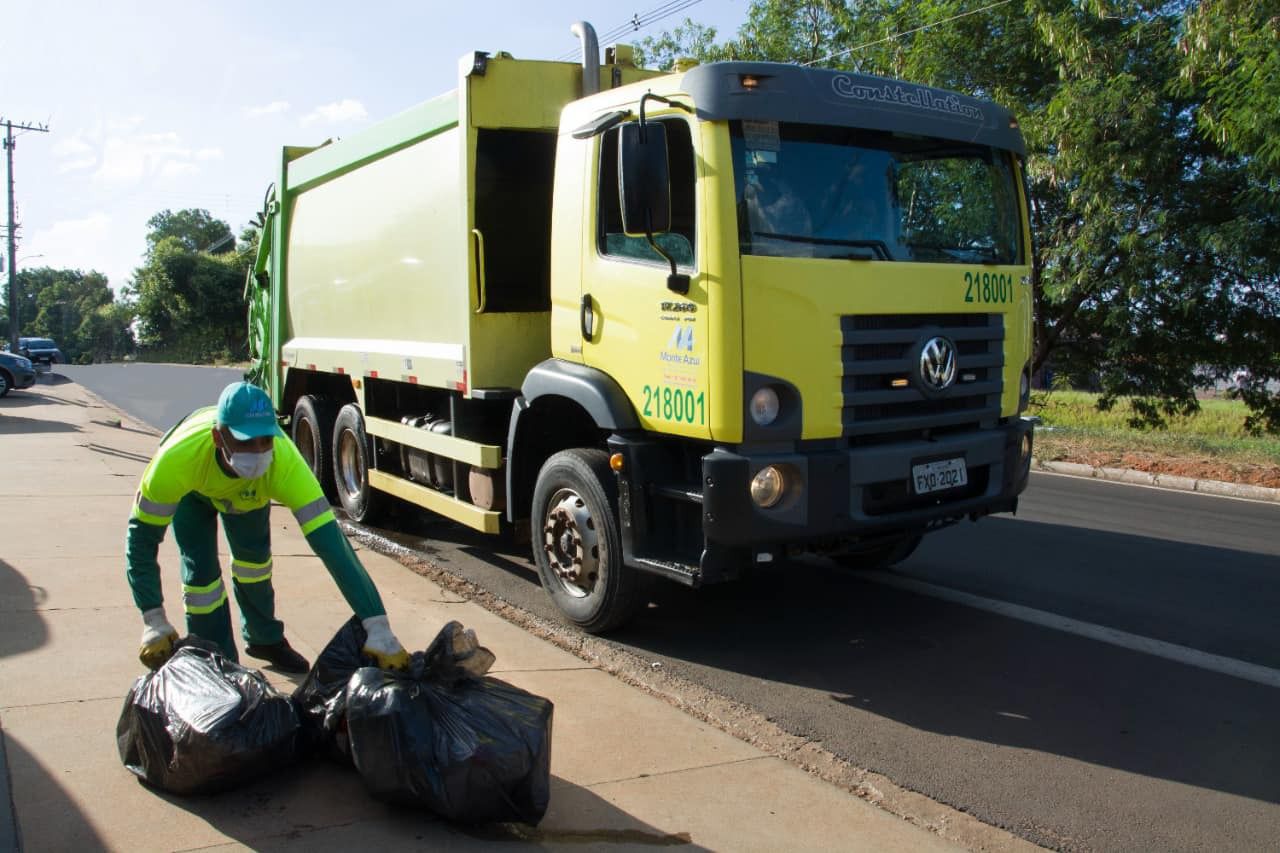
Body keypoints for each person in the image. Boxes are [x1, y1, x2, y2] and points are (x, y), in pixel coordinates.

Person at [126, 381, 411, 674]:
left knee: (255, 567)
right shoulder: (175, 461)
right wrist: (153, 619)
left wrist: (378, 627)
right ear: (218, 437)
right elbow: (141, 541)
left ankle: (264, 639)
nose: (258, 452)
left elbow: (333, 547)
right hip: (193, 492)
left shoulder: (282, 464)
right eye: (246, 442)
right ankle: (216, 662)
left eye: (265, 440)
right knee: (202, 580)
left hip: (247, 494)